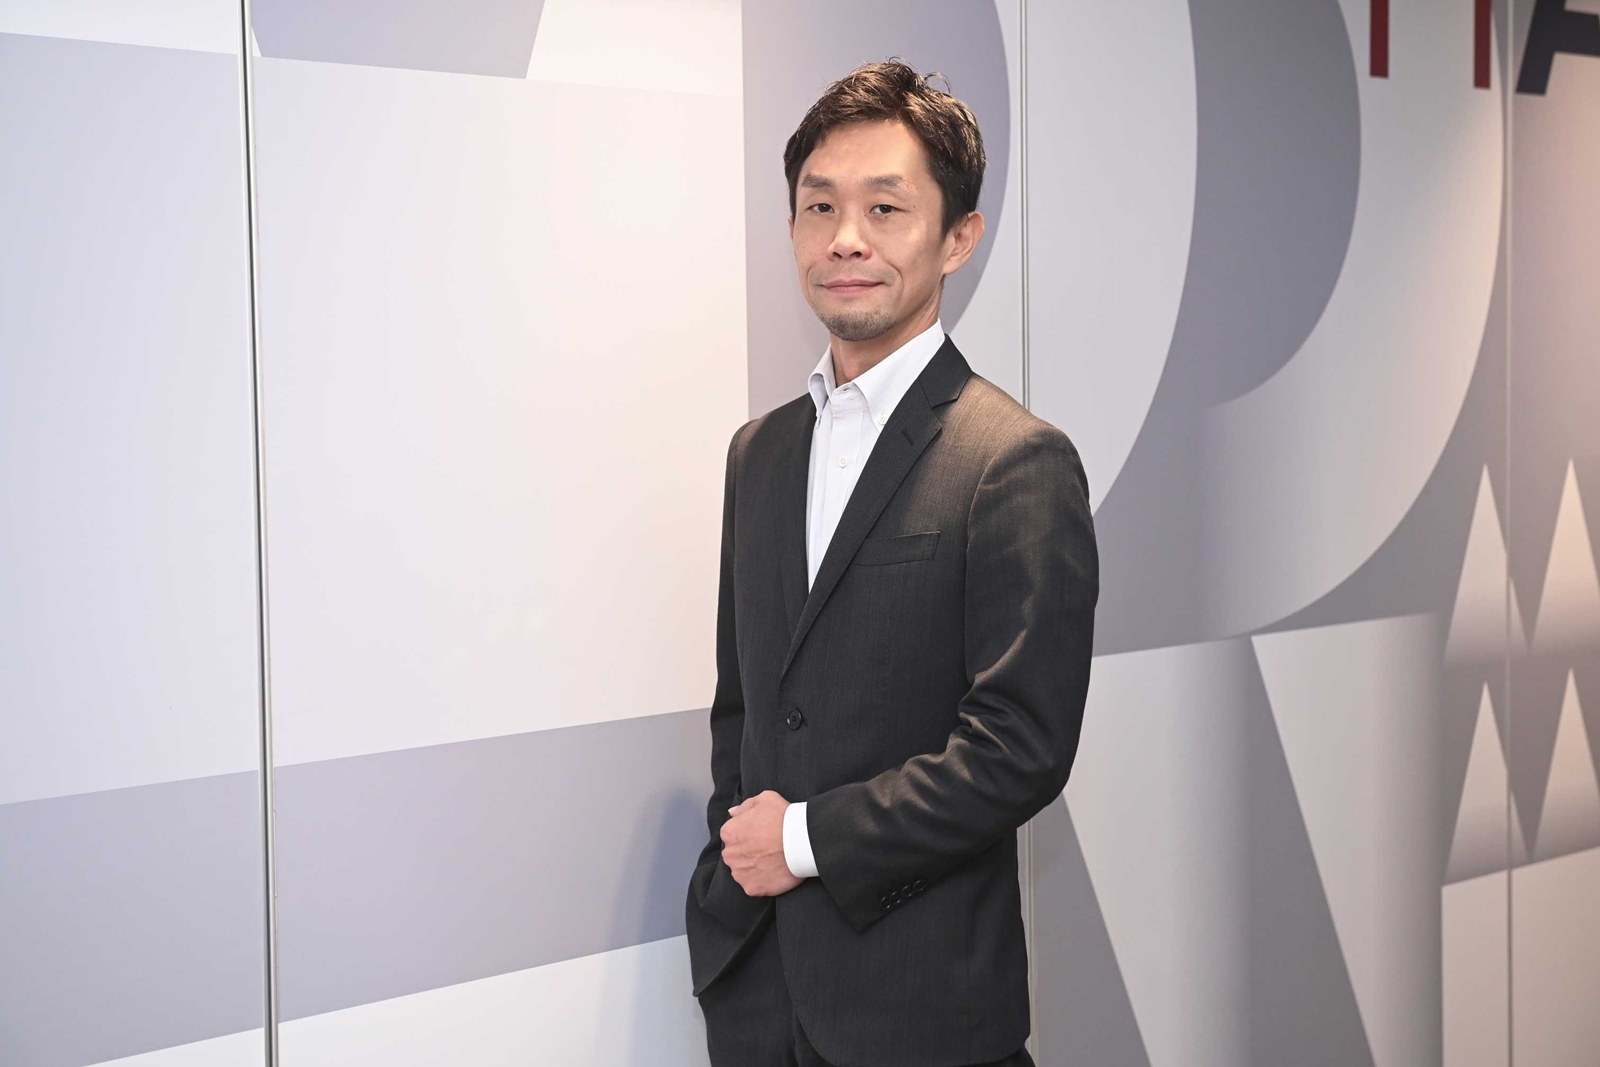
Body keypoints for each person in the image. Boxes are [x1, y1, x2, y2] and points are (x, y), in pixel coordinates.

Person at [683, 59, 1098, 1067]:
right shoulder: (759, 452)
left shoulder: (1012, 459)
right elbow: (747, 709)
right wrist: (733, 870)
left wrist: (801, 839)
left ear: (959, 236)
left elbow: (1018, 748)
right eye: (819, 205)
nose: (845, 238)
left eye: (884, 207)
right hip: (760, 1000)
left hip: (921, 1009)